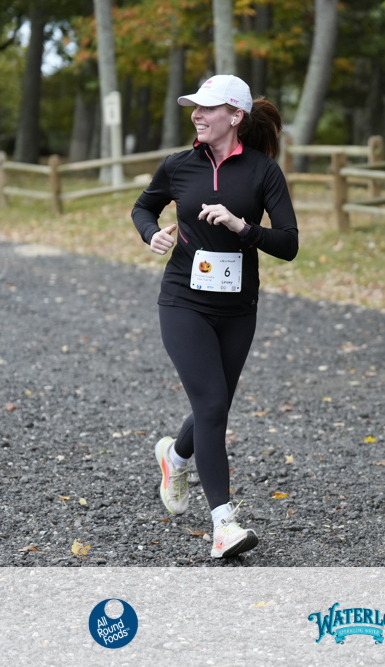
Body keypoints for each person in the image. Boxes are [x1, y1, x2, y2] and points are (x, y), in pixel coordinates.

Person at [131, 74, 298, 559]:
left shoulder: (264, 172)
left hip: (238, 307)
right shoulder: (178, 165)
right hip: (183, 301)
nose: (197, 116)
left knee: (216, 405)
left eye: (207, 108)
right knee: (210, 407)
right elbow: (143, 207)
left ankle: (175, 454)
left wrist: (243, 227)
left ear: (235, 116)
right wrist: (151, 233)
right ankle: (223, 524)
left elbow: (288, 243)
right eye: (195, 108)